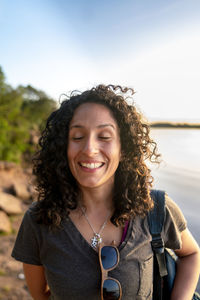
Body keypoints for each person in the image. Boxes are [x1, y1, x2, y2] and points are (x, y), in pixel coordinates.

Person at [12, 85, 200, 300]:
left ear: (123, 148)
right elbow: (41, 295)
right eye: (77, 136)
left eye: (104, 136)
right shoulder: (39, 220)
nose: (90, 148)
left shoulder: (155, 208)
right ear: (63, 146)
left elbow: (191, 254)